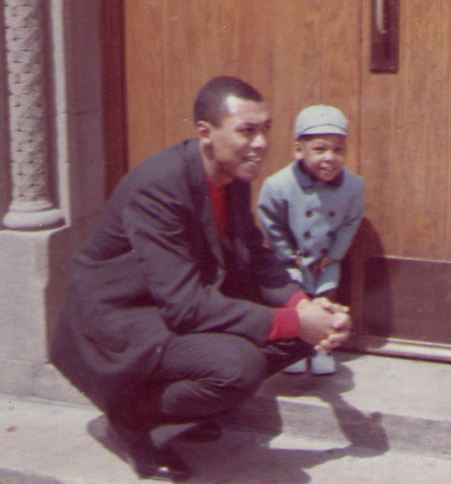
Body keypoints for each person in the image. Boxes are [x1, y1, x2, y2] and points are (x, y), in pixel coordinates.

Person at [50, 76, 352, 481]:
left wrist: (306, 305)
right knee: (237, 368)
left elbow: (258, 258)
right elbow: (185, 304)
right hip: (124, 314)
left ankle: (199, 401)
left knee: (301, 334)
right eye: (247, 131)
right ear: (205, 134)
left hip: (178, 298)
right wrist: (295, 320)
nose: (261, 143)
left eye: (265, 129)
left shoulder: (235, 176)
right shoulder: (158, 186)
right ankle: (130, 415)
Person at [257, 105, 364, 375]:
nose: (330, 157)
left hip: (326, 260)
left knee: (326, 300)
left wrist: (334, 254)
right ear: (298, 150)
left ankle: (322, 349)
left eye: (338, 149)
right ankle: (292, 351)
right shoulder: (278, 185)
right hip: (292, 259)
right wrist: (287, 254)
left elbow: (351, 220)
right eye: (320, 149)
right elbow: (271, 222)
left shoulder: (353, 185)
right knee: (293, 302)